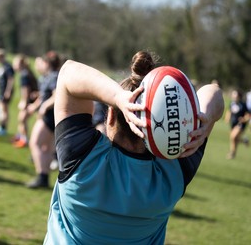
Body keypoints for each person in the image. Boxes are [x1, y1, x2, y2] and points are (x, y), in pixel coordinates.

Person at [43, 51, 224, 244]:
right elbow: (214, 92)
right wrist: (201, 119)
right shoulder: (174, 172)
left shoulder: (82, 158)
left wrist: (118, 96)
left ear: (111, 115)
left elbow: (69, 72)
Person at [26, 51, 61, 188]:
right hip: (49, 116)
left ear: (46, 63)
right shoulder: (48, 76)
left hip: (48, 117)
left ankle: (42, 176)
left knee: (35, 143)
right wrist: (35, 106)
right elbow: (43, 96)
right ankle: (44, 178)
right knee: (46, 148)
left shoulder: (53, 77)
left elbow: (55, 95)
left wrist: (43, 107)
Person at [11, 54, 39, 148]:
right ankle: (21, 137)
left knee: (22, 119)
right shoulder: (26, 72)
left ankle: (24, 140)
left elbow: (26, 90)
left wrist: (24, 101)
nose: (14, 65)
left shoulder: (24, 75)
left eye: (15, 63)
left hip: (31, 102)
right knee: (22, 119)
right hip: (33, 100)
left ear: (21, 64)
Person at [0, 50, 15, 136]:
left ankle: (3, 129)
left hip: (5, 92)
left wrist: (8, 91)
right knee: (0, 109)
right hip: (1, 91)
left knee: (4, 110)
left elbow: (11, 80)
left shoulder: (8, 67)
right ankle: (0, 126)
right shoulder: (3, 66)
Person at [224, 89, 250, 159]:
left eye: (235, 95)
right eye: (233, 95)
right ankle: (244, 141)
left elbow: (248, 115)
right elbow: (229, 111)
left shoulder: (243, 105)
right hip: (233, 124)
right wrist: (227, 118)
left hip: (240, 124)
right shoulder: (232, 103)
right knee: (234, 139)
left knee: (233, 137)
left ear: (239, 97)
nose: (234, 97)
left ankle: (232, 153)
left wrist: (243, 119)